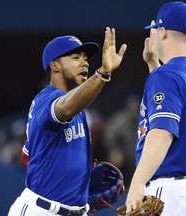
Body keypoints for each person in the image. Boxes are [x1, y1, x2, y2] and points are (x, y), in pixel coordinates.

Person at [8, 27, 127, 216]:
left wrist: (77, 186)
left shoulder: (78, 107)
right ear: (55, 66)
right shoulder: (46, 100)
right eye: (76, 57)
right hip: (42, 210)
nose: (84, 63)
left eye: (86, 58)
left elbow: (30, 155)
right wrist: (103, 73)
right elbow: (66, 107)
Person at [125, 2, 186, 215]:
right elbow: (174, 102)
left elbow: (162, 133)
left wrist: (138, 182)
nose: (153, 36)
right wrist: (153, 65)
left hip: (173, 190)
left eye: (155, 31)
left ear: (163, 32)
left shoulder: (167, 75)